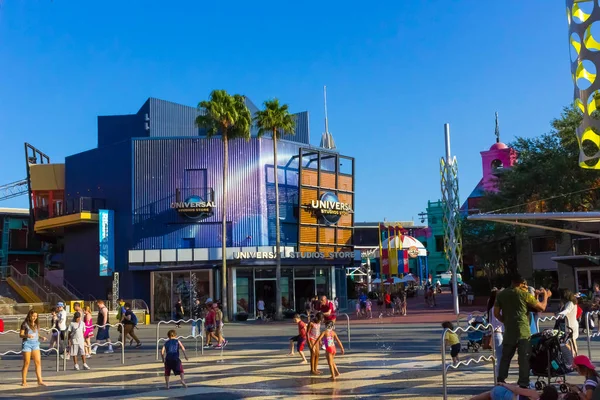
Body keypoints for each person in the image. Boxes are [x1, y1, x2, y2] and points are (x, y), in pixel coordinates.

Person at [495, 274, 551, 388]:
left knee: (505, 358)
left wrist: (506, 321)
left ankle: (501, 380)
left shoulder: (501, 295)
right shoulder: (524, 294)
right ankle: (523, 382)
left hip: (509, 332)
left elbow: (496, 313)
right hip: (523, 332)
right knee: (524, 358)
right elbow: (541, 307)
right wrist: (546, 296)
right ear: (521, 284)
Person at [20, 310, 47, 386]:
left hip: (35, 344)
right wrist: (27, 335)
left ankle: (40, 380)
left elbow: (37, 334)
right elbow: (21, 334)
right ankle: (24, 381)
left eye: (36, 316)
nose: (34, 318)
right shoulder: (24, 324)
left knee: (38, 362)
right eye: (33, 316)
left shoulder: (36, 324)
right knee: (26, 363)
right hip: (27, 344)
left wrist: (41, 337)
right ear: (29, 316)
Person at [468, 382, 559, 400]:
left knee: (494, 392)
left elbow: (517, 390)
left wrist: (504, 384)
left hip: (502, 396)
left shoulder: (535, 395)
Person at [488, 288, 504, 376]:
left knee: (500, 357)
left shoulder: (492, 307)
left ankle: (499, 376)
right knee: (500, 358)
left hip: (497, 333)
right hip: (498, 332)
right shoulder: (497, 308)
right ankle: (499, 377)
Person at [559, 291, 580, 356]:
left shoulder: (570, 303)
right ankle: (575, 355)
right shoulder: (573, 302)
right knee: (573, 342)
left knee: (569, 343)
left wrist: (560, 314)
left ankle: (574, 356)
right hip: (572, 324)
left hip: (570, 325)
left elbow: (567, 310)